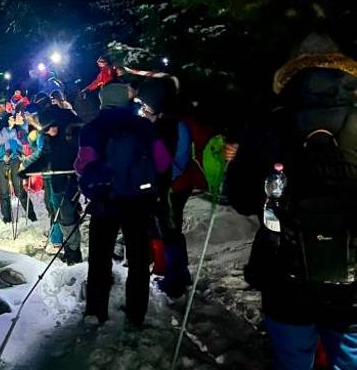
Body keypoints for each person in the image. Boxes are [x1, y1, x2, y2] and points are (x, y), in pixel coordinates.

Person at [225, 34, 357, 369]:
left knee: (294, 361)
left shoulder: (267, 122)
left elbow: (240, 198)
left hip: (285, 276)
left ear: (290, 73)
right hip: (353, 284)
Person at [75, 81, 171, 326]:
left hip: (105, 202)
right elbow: (162, 162)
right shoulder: (142, 126)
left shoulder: (93, 128)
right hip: (138, 202)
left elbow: (83, 165)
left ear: (103, 100)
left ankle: (96, 312)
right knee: (139, 259)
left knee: (99, 258)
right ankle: (136, 313)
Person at [135, 79, 209, 299]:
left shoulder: (175, 126)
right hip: (169, 185)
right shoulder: (164, 122)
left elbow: (178, 160)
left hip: (173, 186)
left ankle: (175, 282)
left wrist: (159, 182)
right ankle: (179, 274)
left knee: (170, 231)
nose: (143, 110)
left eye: (145, 106)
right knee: (169, 229)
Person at [21, 104, 84, 263]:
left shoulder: (70, 134)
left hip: (68, 180)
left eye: (51, 128)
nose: (49, 132)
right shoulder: (51, 135)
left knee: (67, 215)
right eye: (46, 130)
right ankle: (70, 249)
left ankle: (74, 252)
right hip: (57, 180)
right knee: (62, 215)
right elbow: (44, 154)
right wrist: (25, 166)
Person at [0, 97, 37, 224]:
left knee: (19, 189)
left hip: (14, 156)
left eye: (3, 105)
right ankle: (7, 218)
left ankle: (32, 215)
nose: (1, 108)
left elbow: (22, 136)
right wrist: (8, 128)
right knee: (4, 191)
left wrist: (22, 124)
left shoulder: (10, 117)